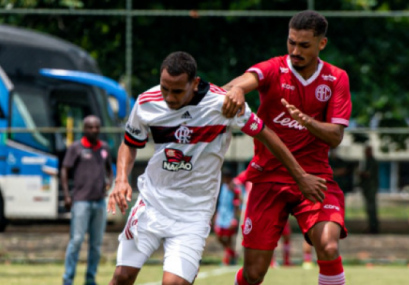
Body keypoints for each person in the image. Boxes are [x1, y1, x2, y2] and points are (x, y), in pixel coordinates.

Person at [107, 51, 326, 285]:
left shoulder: (224, 104)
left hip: (193, 213)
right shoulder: (146, 102)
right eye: (164, 88)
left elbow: (267, 135)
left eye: (178, 91)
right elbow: (129, 144)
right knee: (122, 276)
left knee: (174, 284)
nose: (169, 97)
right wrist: (121, 179)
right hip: (152, 203)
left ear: (195, 83)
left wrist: (301, 176)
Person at [222, 10, 352, 285]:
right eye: (291, 42)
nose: (295, 50)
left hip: (315, 178)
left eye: (304, 45)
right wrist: (235, 90)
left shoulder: (336, 78)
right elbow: (243, 81)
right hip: (268, 178)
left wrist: (308, 122)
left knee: (328, 246)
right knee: (254, 273)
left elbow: (336, 136)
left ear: (321, 44)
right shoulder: (273, 68)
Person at [61, 115, 113, 285]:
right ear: (84, 129)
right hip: (81, 201)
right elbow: (64, 171)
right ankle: (68, 279)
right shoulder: (76, 148)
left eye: (96, 127)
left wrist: (109, 182)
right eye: (90, 127)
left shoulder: (104, 148)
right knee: (76, 241)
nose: (94, 130)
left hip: (99, 202)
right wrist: (67, 195)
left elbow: (109, 169)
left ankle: (90, 279)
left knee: (96, 245)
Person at [213, 168, 242, 266]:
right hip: (221, 216)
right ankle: (233, 254)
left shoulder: (234, 188)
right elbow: (219, 203)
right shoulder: (222, 186)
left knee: (229, 239)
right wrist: (216, 215)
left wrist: (234, 218)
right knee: (218, 235)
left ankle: (227, 260)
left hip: (229, 216)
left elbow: (237, 203)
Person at [358, 145, 379, 234]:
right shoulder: (366, 161)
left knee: (371, 208)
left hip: (371, 188)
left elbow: (368, 174)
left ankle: (373, 227)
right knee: (369, 208)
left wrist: (359, 173)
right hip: (367, 187)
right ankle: (371, 226)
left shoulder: (372, 162)